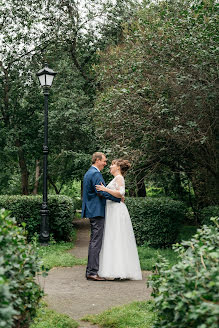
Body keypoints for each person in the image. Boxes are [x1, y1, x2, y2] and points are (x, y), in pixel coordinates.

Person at [95, 159, 142, 280]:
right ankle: (113, 269)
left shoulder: (119, 178)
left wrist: (105, 189)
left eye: (112, 165)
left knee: (117, 237)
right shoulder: (116, 178)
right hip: (111, 209)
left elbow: (121, 193)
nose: (110, 166)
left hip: (116, 210)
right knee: (112, 237)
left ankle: (120, 271)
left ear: (118, 167)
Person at [81, 152, 121, 281]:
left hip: (92, 210)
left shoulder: (89, 172)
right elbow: (101, 191)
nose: (105, 163)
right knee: (96, 242)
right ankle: (92, 272)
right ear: (97, 160)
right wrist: (117, 199)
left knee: (94, 240)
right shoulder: (96, 174)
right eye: (104, 161)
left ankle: (90, 271)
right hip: (97, 211)